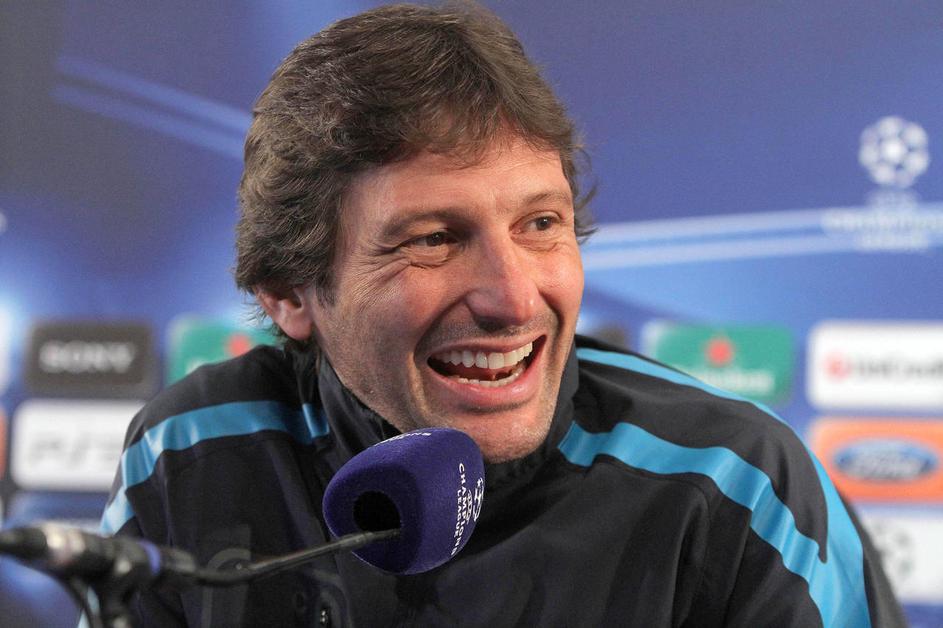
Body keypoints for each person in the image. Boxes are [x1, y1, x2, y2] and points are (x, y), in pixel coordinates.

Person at [102, 3, 905, 626]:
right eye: (433, 239)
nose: (515, 299)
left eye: (540, 224)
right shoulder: (190, 451)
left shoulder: (738, 484)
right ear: (289, 294)